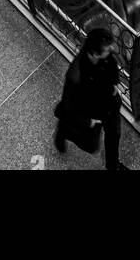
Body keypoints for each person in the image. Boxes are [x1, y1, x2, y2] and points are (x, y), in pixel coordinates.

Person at [54, 27, 127, 171]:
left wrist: (113, 88)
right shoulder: (75, 76)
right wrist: (88, 121)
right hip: (91, 112)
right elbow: (69, 105)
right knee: (89, 144)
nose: (111, 49)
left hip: (109, 106)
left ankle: (113, 166)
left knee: (114, 135)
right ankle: (62, 132)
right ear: (94, 54)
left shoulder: (106, 57)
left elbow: (113, 74)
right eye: (107, 49)